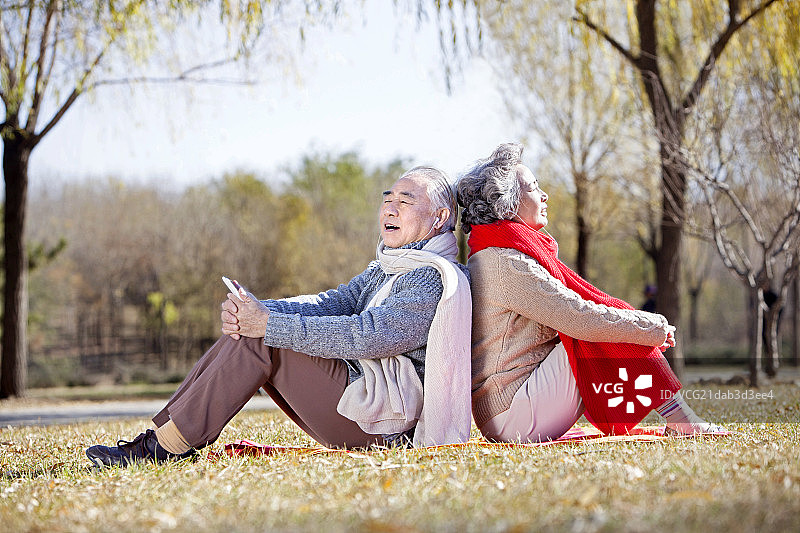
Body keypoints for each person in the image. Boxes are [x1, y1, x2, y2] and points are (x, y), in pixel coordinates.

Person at [86, 166, 472, 467]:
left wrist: (268, 324)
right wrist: (260, 309)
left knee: (261, 337)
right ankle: (160, 439)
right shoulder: (388, 267)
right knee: (249, 331)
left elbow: (368, 336)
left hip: (382, 425)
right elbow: (330, 302)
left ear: (439, 217)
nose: (389, 207)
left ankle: (164, 447)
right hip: (362, 402)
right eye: (388, 197)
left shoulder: (430, 277)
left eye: (405, 201)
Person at [456, 143, 725, 443]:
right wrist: (646, 326)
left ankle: (680, 420)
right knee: (602, 329)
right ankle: (682, 422)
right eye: (533, 188)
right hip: (513, 414)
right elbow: (578, 317)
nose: (544, 195)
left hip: (508, 408)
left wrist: (636, 325)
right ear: (508, 206)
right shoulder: (506, 262)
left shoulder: (492, 252)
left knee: (609, 326)